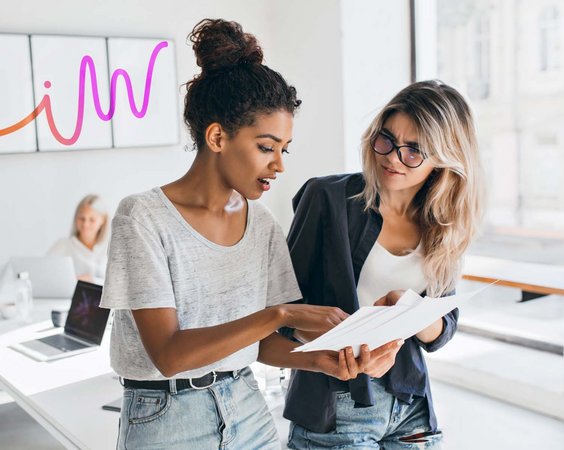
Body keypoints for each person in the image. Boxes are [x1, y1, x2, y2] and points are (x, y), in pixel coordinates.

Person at [99, 18, 373, 450]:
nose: (279, 165)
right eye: (266, 147)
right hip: (165, 418)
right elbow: (169, 356)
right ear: (217, 136)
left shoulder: (261, 224)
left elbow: (258, 344)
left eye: (284, 150)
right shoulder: (143, 218)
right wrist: (282, 315)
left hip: (246, 404)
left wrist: (322, 362)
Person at [281, 80, 483, 449]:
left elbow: (442, 331)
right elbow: (282, 313)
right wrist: (350, 354)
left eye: (413, 151)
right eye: (386, 139)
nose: (391, 157)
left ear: (443, 158)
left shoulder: (444, 224)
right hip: (336, 405)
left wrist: (412, 310)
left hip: (412, 407)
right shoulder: (327, 199)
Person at [48, 194, 109, 283]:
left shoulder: (111, 248)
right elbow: (46, 274)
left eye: (92, 220)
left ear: (102, 221)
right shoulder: (63, 245)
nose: (85, 224)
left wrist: (92, 280)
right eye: (82, 218)